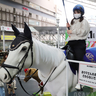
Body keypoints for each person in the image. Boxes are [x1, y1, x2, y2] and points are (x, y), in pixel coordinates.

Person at [65, 4, 90, 90]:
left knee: (79, 60)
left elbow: (82, 32)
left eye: (78, 12)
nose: (76, 13)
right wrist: (68, 28)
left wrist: (71, 30)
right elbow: (70, 33)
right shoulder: (72, 21)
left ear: (81, 13)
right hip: (71, 42)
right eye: (75, 12)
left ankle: (81, 82)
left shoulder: (84, 21)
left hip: (79, 43)